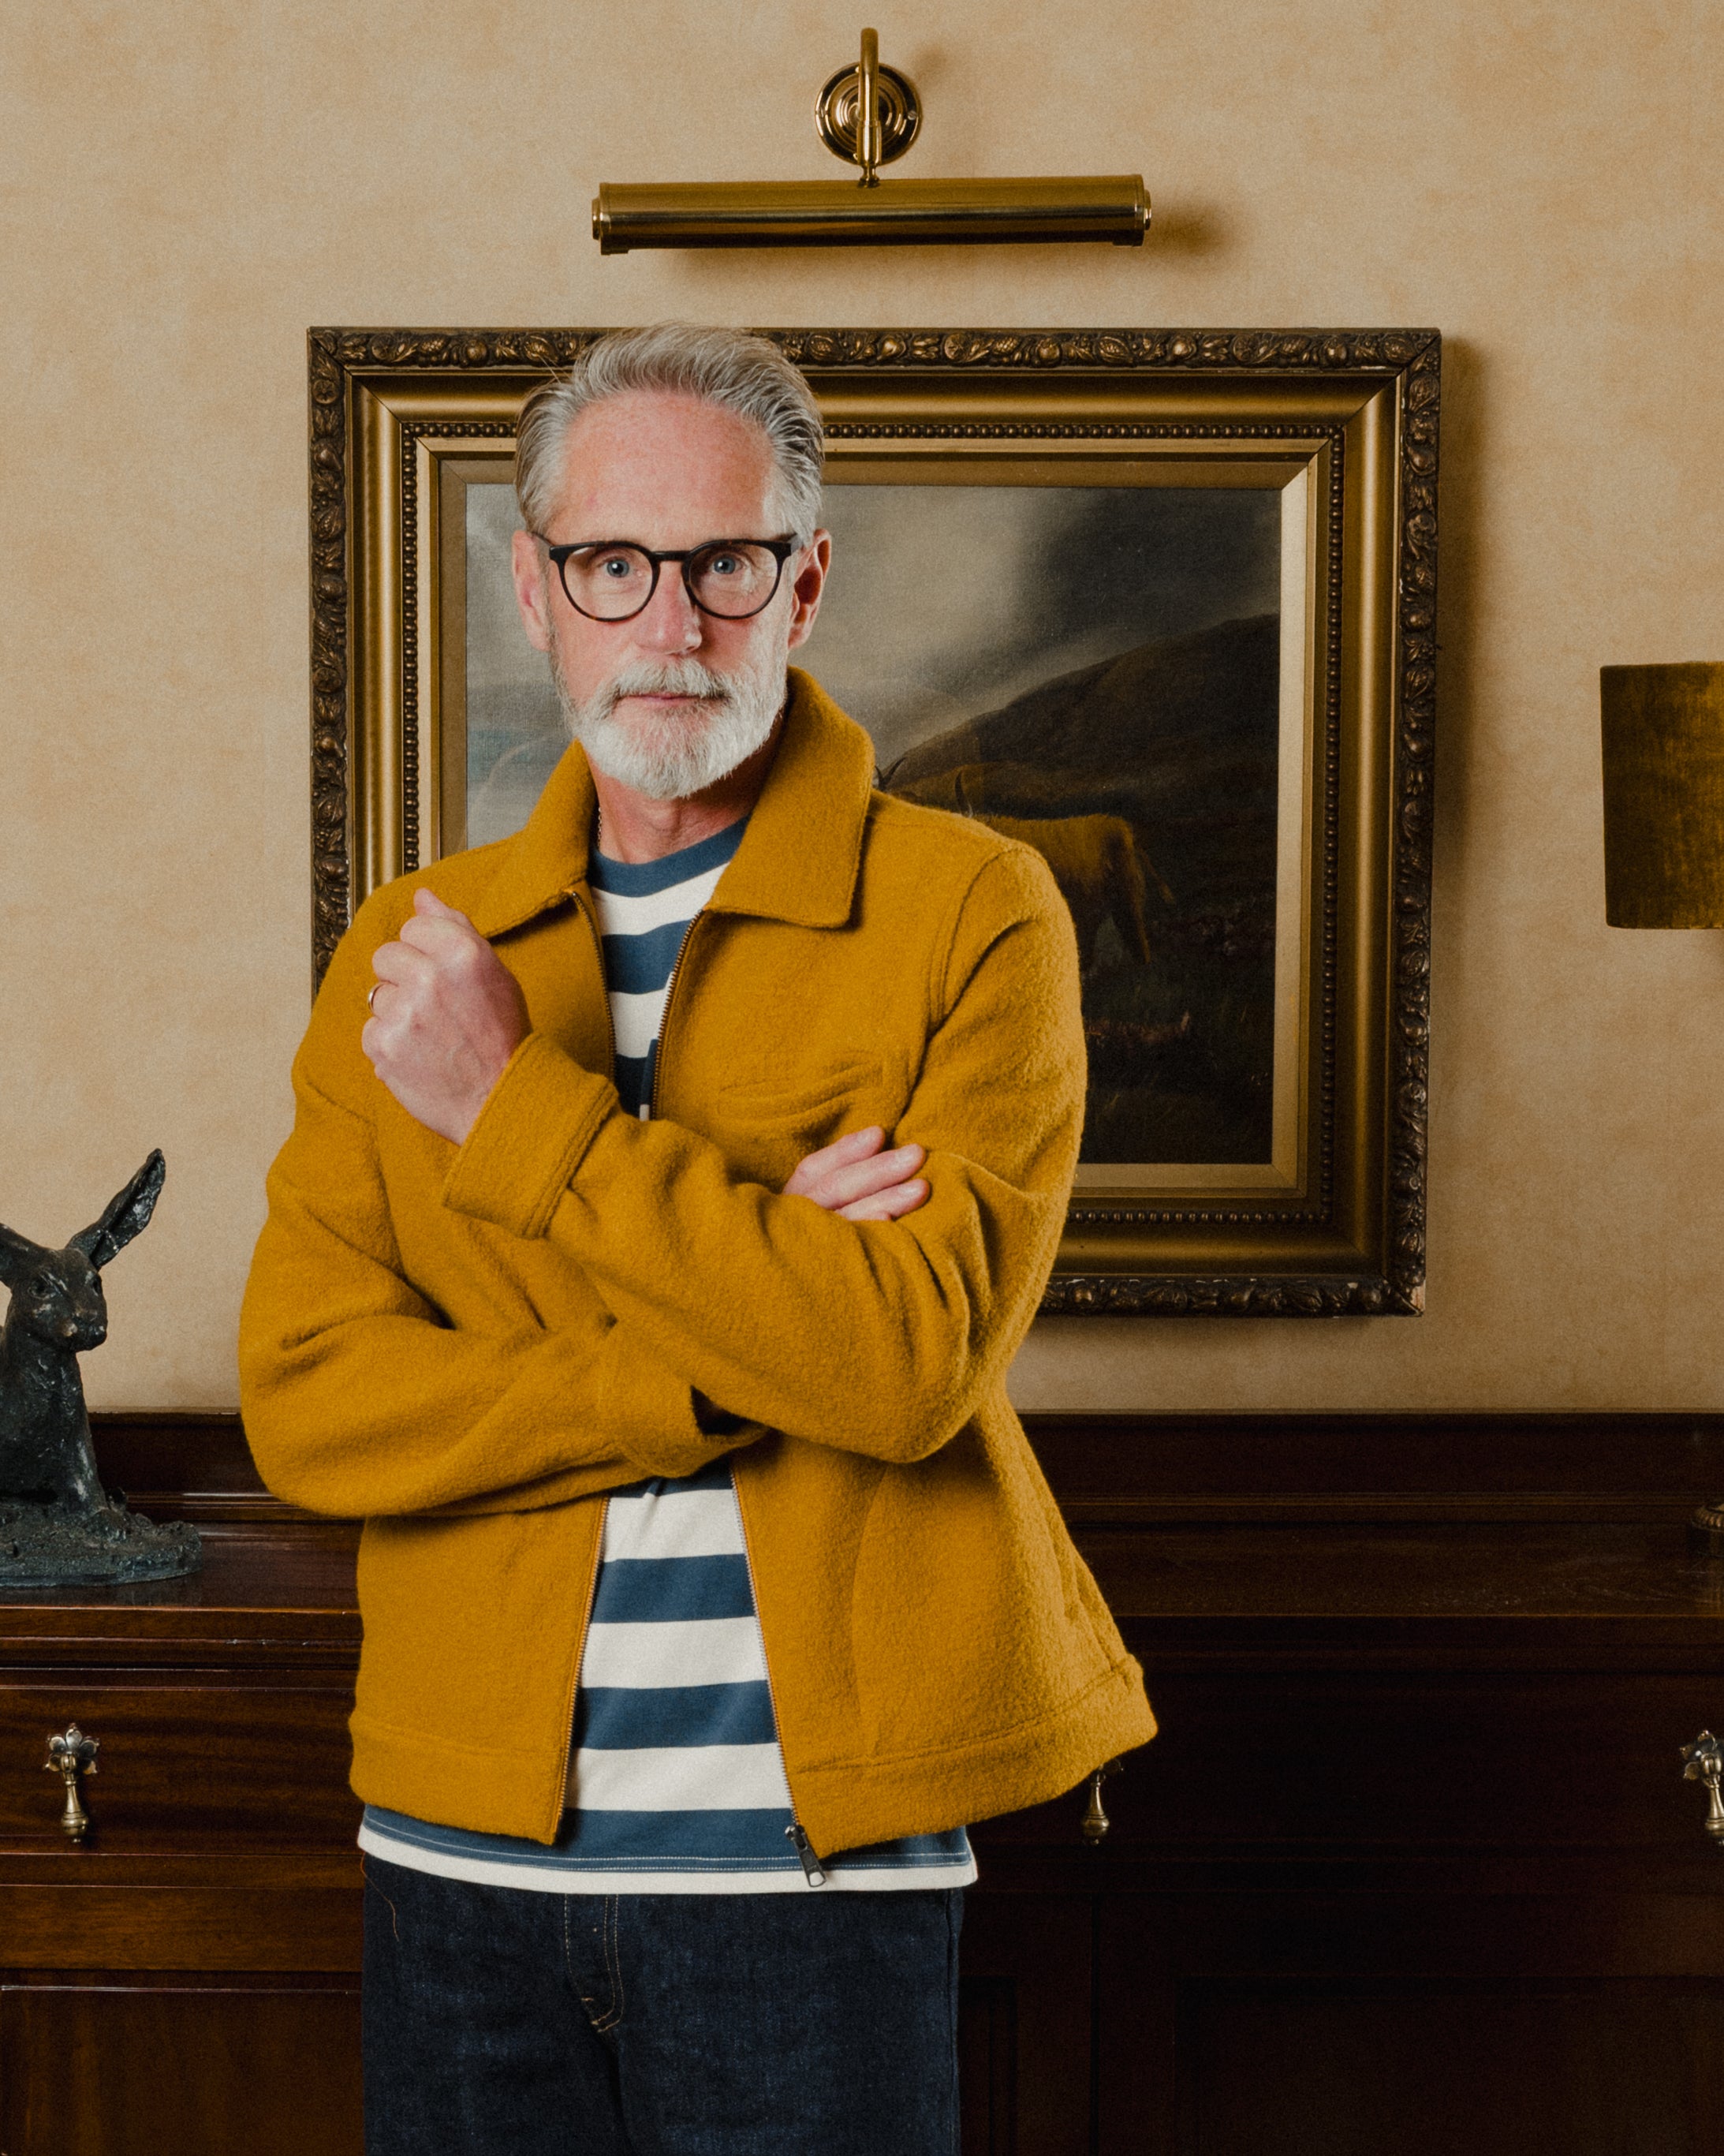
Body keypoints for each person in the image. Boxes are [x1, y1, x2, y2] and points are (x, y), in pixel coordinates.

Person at [239, 323, 1155, 2156]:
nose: (672, 622)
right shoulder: (415, 952)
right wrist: (735, 1335)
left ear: (803, 580)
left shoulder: (975, 913)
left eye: (726, 562)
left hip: (819, 1886)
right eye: (614, 564)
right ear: (537, 586)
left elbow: (899, 1368)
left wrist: (518, 1110)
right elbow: (314, 1405)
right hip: (454, 1863)